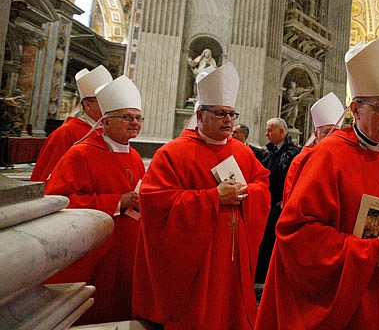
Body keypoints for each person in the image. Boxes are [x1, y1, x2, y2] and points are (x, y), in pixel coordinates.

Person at [255, 31, 379, 329]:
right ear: (357, 109)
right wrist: (369, 252)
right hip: (347, 300)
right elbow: (296, 234)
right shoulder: (327, 156)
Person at [133, 63, 271, 330]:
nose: (228, 120)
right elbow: (154, 201)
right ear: (200, 115)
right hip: (198, 258)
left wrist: (248, 193)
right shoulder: (173, 153)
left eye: (231, 114)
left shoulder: (242, 153)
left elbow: (262, 185)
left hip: (234, 252)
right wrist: (212, 198)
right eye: (220, 114)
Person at [45, 75, 144, 324]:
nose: (134, 123)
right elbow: (59, 200)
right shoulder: (81, 153)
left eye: (138, 117)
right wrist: (116, 202)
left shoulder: (134, 156)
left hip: (128, 247)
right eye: (127, 117)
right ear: (106, 122)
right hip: (94, 251)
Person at [31, 65, 112, 181]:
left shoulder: (110, 131)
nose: (109, 105)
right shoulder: (65, 133)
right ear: (87, 105)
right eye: (102, 101)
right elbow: (46, 176)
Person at [255, 117, 301, 285]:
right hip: (268, 203)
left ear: (282, 132)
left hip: (279, 207)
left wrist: (285, 200)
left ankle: (269, 279)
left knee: (272, 243)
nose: (266, 134)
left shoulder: (292, 153)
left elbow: (293, 179)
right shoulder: (272, 151)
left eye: (270, 130)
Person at [281, 91, 345, 206]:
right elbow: (292, 201)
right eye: (327, 132)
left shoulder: (345, 160)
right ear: (316, 134)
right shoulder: (301, 161)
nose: (332, 137)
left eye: (336, 132)